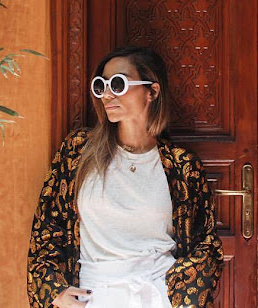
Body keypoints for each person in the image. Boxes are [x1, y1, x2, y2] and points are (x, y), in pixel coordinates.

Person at [27, 46, 224, 308]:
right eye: (101, 86)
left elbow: (206, 244)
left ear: (152, 91)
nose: (107, 94)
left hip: (159, 294)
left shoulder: (182, 165)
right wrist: (55, 290)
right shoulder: (78, 151)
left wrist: (181, 296)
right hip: (92, 294)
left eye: (118, 84)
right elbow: (47, 227)